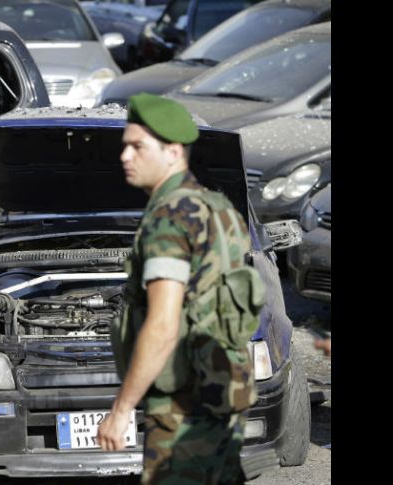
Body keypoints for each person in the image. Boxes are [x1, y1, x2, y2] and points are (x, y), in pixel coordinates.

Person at [97, 93, 259, 484]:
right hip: (226, 395)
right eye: (125, 147)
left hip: (183, 405)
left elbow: (164, 324)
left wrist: (122, 411)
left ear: (172, 152)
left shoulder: (168, 219)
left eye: (137, 147)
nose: (125, 157)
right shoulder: (219, 208)